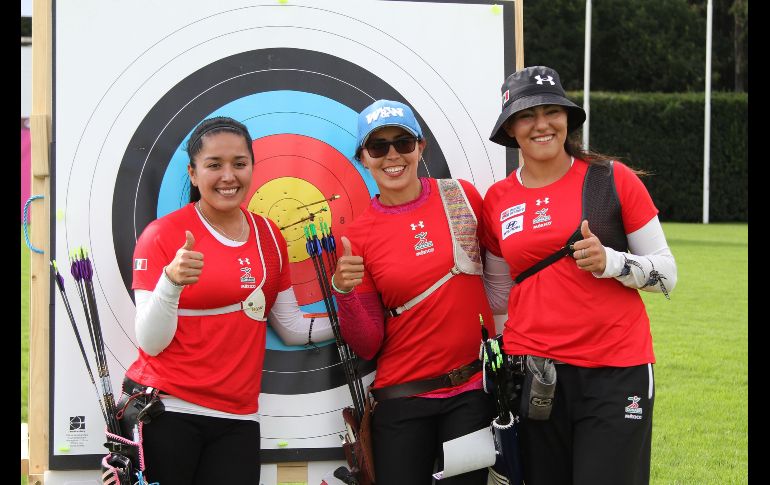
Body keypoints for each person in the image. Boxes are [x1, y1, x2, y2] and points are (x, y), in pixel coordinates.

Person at [480, 66, 678, 485]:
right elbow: (499, 294)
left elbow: (667, 273)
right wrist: (502, 362)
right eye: (527, 115)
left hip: (615, 369)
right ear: (511, 128)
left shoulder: (611, 179)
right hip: (537, 376)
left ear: (568, 119)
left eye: (552, 111)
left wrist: (613, 262)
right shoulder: (498, 199)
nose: (542, 124)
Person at [121, 116, 333, 485]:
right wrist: (171, 281)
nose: (228, 176)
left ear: (252, 166)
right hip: (168, 411)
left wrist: (360, 317)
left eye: (239, 163)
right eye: (214, 165)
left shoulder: (269, 236)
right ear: (192, 172)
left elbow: (293, 327)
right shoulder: (163, 236)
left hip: (238, 419)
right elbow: (151, 342)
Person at [331, 99, 497, 485]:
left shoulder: (462, 197)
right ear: (364, 159)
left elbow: (500, 280)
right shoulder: (355, 237)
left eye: (403, 142)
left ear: (421, 147)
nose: (393, 155)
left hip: (471, 392)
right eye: (378, 147)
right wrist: (344, 290)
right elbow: (368, 343)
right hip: (402, 400)